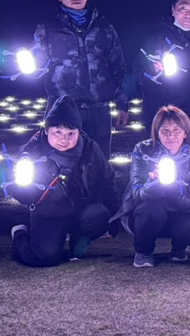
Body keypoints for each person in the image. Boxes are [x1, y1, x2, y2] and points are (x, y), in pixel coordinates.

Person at [29, 0, 130, 159]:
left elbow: (117, 66)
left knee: (98, 163)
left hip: (99, 110)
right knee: (58, 163)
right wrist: (26, 64)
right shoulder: (48, 28)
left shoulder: (104, 27)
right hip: (62, 109)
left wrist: (122, 104)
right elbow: (36, 66)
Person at [8, 94, 119, 267]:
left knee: (100, 215)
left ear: (79, 132)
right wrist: (21, 183)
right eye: (58, 132)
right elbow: (21, 195)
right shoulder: (31, 153)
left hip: (82, 210)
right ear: (46, 130)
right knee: (43, 257)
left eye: (71, 134)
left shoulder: (90, 148)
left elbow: (108, 180)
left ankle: (77, 245)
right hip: (49, 213)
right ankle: (19, 233)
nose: (64, 139)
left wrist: (115, 215)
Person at [112, 106, 190, 268]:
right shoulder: (143, 150)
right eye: (165, 130)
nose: (170, 136)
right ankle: (143, 251)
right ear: (156, 133)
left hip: (178, 212)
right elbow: (137, 194)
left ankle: (179, 248)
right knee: (152, 209)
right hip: (147, 214)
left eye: (176, 130)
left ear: (185, 133)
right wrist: (155, 183)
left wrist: (174, 186)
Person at [137, 0, 190, 142]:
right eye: (183, 9)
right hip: (160, 117)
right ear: (173, 10)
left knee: (189, 154)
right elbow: (139, 71)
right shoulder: (157, 37)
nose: (188, 15)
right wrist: (153, 71)